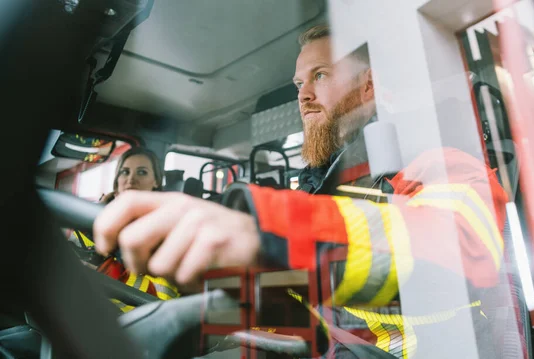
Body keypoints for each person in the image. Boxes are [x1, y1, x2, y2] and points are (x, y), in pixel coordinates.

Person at [92, 25, 510, 357]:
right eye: (298, 84)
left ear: (368, 86)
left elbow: (463, 249)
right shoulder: (326, 193)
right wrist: (191, 297)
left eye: (320, 76)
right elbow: (287, 303)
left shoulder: (436, 165)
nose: (303, 96)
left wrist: (262, 232)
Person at [69, 147, 180, 312]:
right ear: (116, 181)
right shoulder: (89, 223)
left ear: (156, 181)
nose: (131, 179)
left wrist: (108, 269)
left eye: (142, 172)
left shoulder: (167, 231)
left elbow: (164, 299)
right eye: (125, 172)